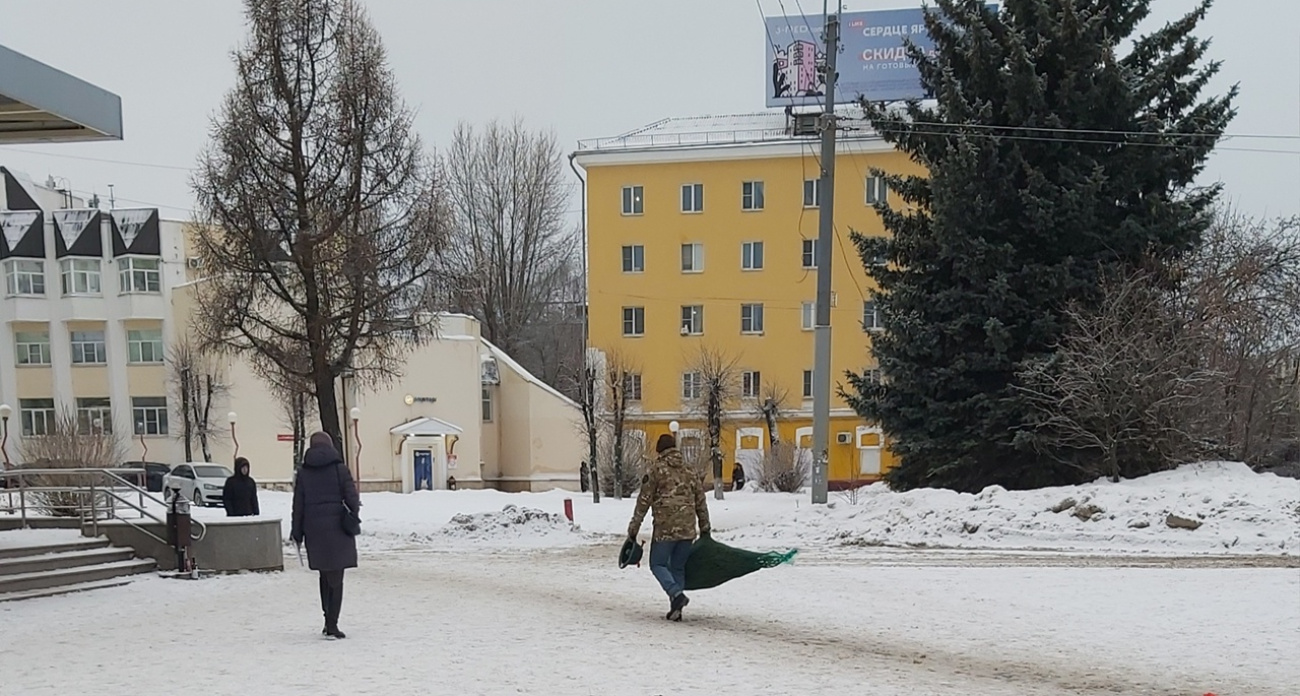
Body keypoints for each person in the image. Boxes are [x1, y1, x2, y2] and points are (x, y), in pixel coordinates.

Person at [627, 433, 711, 622]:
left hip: (665, 529)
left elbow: (643, 502)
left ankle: (676, 594)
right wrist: (705, 526)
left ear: (659, 450)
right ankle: (676, 609)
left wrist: (634, 528)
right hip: (688, 529)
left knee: (657, 564)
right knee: (678, 568)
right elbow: (700, 501)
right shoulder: (690, 471)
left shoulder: (656, 470)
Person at [290, 432, 361, 639]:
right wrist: (352, 515)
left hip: (314, 530)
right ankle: (332, 624)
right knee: (336, 577)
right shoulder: (340, 469)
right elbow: (352, 498)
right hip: (338, 528)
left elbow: (298, 505)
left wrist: (297, 531)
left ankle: (326, 618)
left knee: (324, 573)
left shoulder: (303, 473)